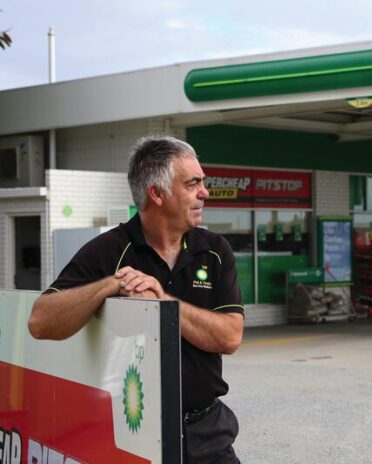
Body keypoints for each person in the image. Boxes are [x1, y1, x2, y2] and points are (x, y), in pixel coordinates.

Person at [28, 135, 244, 463]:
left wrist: (162, 301)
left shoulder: (214, 251)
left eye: (203, 182)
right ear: (156, 194)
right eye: (193, 184)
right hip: (131, 433)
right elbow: (41, 321)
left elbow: (230, 336)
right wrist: (110, 285)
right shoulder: (111, 250)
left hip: (207, 433)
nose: (205, 192)